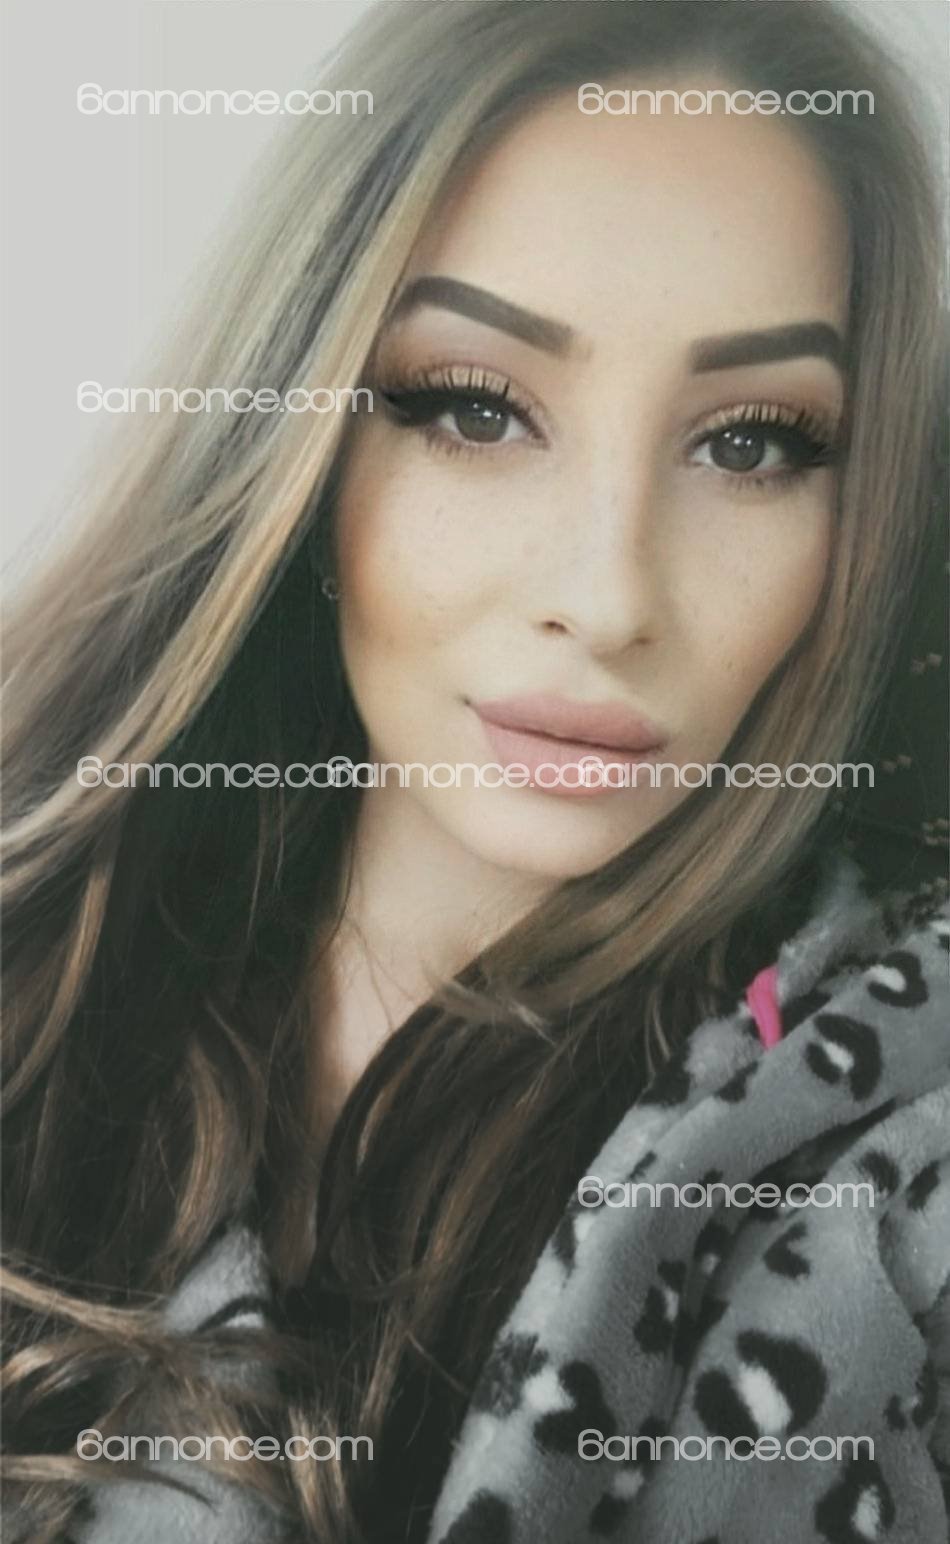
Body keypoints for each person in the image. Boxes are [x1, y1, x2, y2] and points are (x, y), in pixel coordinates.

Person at [3, 2, 948, 1541]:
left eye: (751, 444)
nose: (608, 595)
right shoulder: (41, 974)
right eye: (473, 407)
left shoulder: (898, 1171)